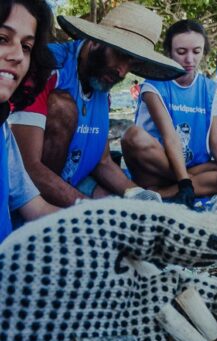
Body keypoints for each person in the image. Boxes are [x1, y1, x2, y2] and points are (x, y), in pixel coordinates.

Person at [9, 2, 182, 207]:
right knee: (63, 107)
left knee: (126, 211)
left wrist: (135, 193)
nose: (123, 71)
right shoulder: (48, 68)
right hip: (31, 194)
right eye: (120, 55)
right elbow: (28, 167)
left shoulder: (101, 86)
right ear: (95, 41)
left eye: (131, 63)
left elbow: (103, 162)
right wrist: (88, 209)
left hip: (76, 180)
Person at [121, 20, 217, 209]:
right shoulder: (153, 86)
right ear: (169, 52)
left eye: (196, 52)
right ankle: (184, 185)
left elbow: (216, 141)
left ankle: (157, 193)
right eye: (181, 52)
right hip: (157, 168)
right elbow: (171, 138)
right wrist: (184, 182)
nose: (189, 59)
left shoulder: (210, 89)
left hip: (194, 168)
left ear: (204, 52)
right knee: (132, 136)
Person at [0, 0, 61, 246]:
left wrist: (105, 223)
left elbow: (34, 206)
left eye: (26, 46)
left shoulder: (3, 132)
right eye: (3, 38)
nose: (17, 56)